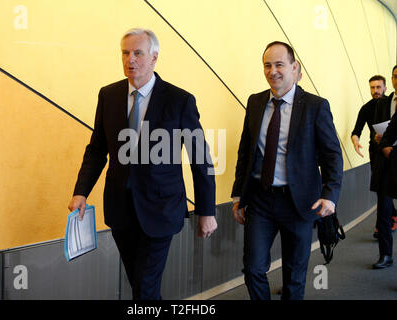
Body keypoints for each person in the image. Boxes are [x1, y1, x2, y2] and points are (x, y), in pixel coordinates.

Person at [68, 28, 217, 300]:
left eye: (138, 53)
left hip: (161, 209)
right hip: (120, 209)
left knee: (145, 286)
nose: (130, 60)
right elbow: (97, 149)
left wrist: (207, 210)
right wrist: (81, 192)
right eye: (125, 53)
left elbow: (201, 158)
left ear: (154, 57)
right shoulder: (108, 95)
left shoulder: (179, 100)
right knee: (140, 284)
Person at [231, 41, 343, 300]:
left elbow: (332, 155)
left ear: (295, 68)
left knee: (294, 276)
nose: (273, 71)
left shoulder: (316, 106)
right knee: (253, 269)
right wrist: (239, 195)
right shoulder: (256, 102)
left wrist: (330, 194)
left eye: (279, 64)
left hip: (300, 203)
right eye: (267, 65)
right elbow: (245, 151)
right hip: (261, 200)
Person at [351, 75, 396, 238]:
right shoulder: (366, 108)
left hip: (392, 150)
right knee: (382, 189)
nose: (375, 91)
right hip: (376, 152)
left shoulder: (391, 105)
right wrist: (355, 142)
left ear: (385, 87)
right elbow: (356, 131)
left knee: (388, 188)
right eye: (372, 88)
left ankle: (388, 219)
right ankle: (386, 221)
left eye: (378, 87)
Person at [369, 65, 397, 269]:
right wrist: (379, 140)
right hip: (386, 163)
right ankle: (385, 255)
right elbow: (375, 135)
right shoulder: (383, 104)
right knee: (384, 213)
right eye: (395, 77)